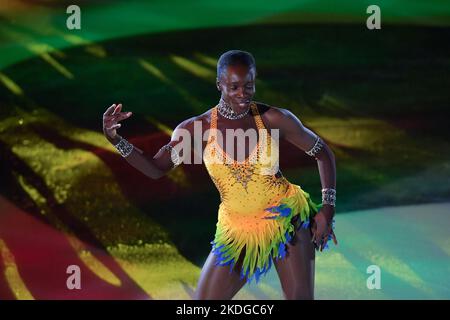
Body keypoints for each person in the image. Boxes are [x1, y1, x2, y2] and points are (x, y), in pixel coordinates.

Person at [102, 50, 337, 300]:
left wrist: (327, 208)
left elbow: (323, 153)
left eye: (249, 86)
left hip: (286, 219)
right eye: (234, 87)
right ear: (219, 85)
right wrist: (116, 140)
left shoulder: (274, 118)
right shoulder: (196, 129)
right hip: (236, 230)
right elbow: (156, 168)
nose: (242, 94)